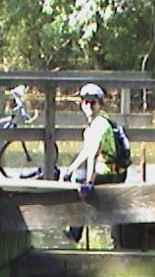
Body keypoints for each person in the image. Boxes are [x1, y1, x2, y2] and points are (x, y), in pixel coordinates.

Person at [62, 83, 127, 242]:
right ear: (81, 104)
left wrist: (88, 182)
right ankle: (75, 227)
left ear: (100, 104)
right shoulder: (98, 120)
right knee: (73, 176)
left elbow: (92, 155)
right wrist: (70, 169)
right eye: (86, 102)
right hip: (111, 170)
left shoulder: (99, 125)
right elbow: (85, 151)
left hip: (110, 173)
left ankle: (76, 230)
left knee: (79, 183)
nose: (89, 106)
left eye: (93, 102)